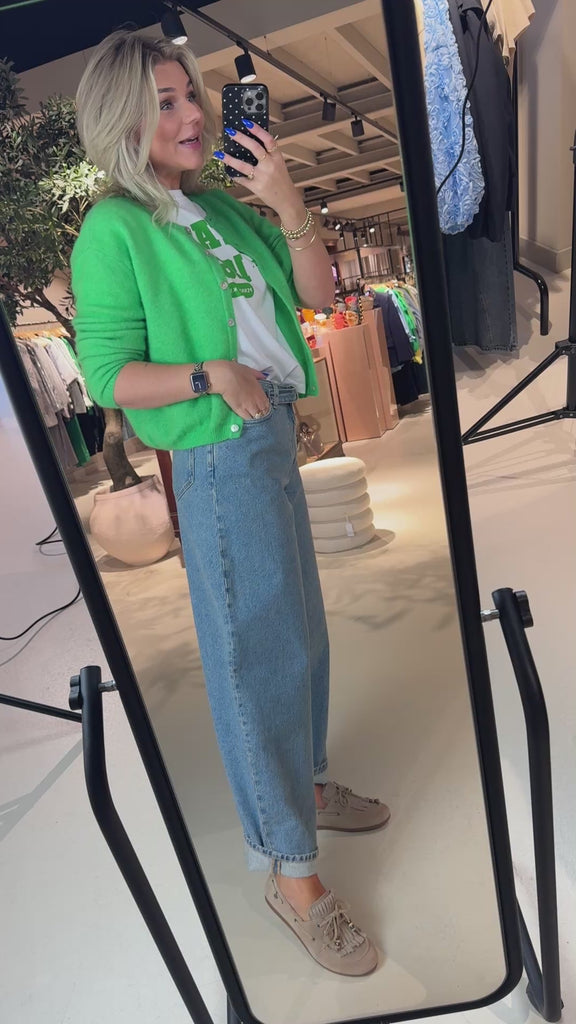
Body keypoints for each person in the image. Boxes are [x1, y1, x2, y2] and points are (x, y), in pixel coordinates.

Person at [72, 29, 390, 976]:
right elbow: (107, 375)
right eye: (164, 102)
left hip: (273, 431)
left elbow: (314, 293)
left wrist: (288, 204)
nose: (191, 115)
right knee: (256, 654)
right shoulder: (115, 228)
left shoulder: (218, 205)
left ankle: (310, 785)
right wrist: (211, 373)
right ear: (123, 119)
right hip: (215, 449)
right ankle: (292, 875)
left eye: (191, 95)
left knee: (304, 632)